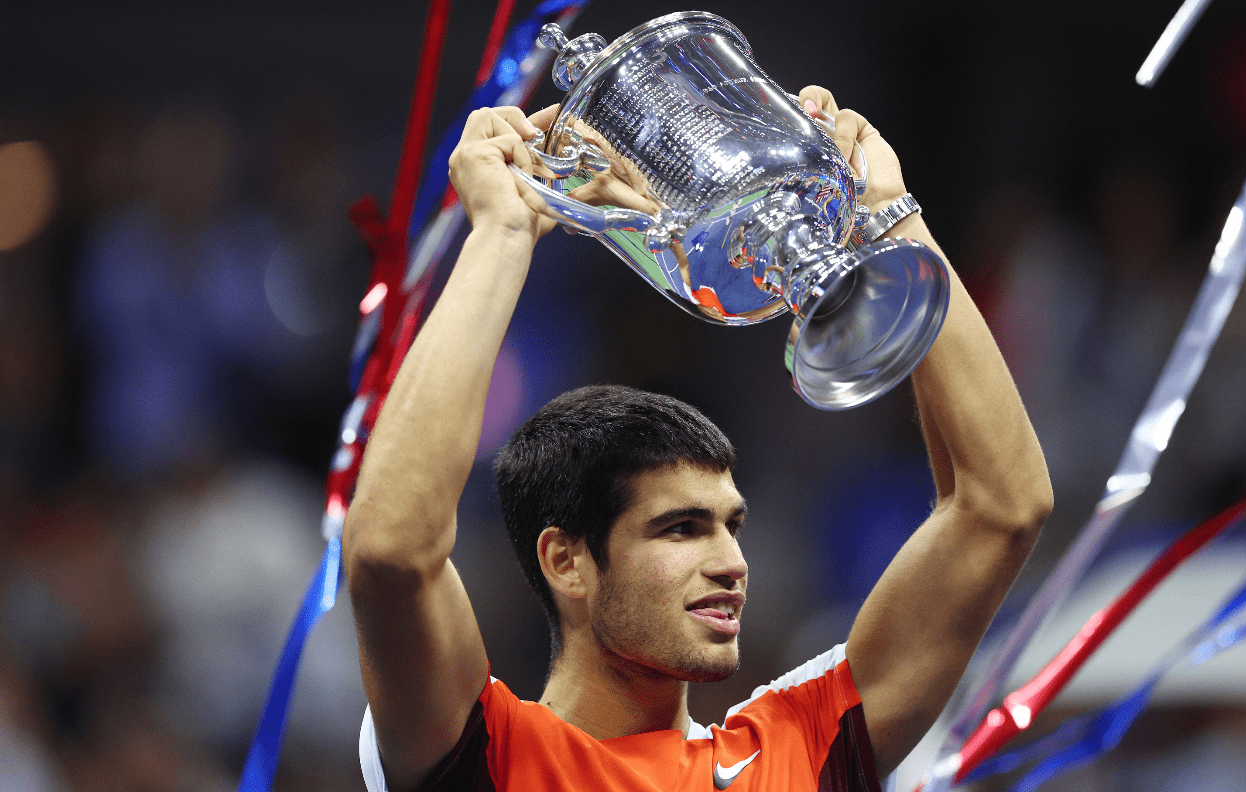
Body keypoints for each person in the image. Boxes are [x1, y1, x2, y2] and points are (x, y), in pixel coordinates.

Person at [343, 86, 1053, 792]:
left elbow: (1001, 507)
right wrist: (501, 234)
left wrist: (885, 217)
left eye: (730, 526)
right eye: (679, 530)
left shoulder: (796, 749)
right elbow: (389, 550)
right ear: (567, 561)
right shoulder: (492, 755)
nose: (730, 563)